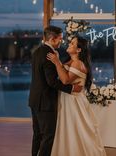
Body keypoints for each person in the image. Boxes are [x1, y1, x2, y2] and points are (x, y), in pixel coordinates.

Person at [47, 36, 106, 156]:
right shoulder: (71, 61)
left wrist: (57, 62)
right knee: (69, 132)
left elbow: (65, 80)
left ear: (79, 50)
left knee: (76, 132)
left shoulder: (78, 63)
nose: (69, 44)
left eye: (73, 43)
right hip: (68, 99)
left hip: (74, 102)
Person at [28, 26, 82, 156]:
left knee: (37, 135)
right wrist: (71, 88)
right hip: (45, 102)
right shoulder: (49, 54)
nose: (61, 42)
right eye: (60, 39)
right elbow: (51, 82)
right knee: (48, 136)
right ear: (52, 39)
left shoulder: (37, 51)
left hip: (35, 99)